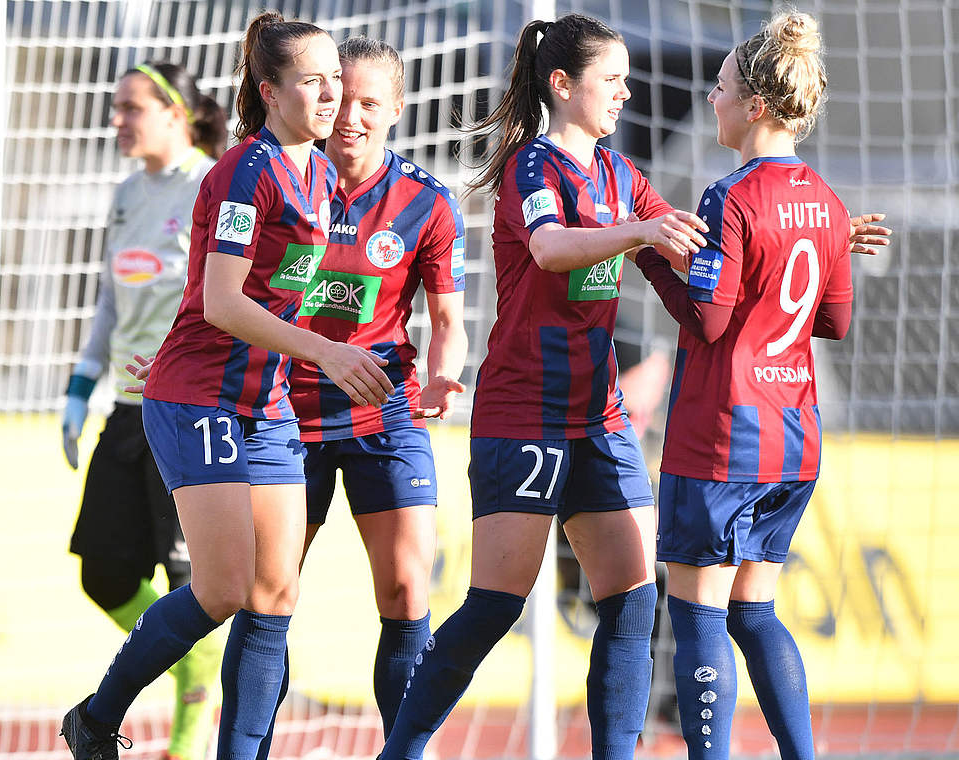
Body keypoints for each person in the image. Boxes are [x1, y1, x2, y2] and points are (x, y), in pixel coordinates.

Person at [60, 13, 393, 760]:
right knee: (220, 591)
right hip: (202, 398)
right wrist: (324, 354)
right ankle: (96, 715)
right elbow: (222, 300)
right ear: (269, 92)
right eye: (314, 82)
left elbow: (266, 296)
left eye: (337, 79)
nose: (334, 95)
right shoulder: (247, 168)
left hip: (262, 401)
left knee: (276, 595)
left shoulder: (320, 173)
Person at [379, 14, 713, 760]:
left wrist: (807, 242)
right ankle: (397, 753)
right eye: (613, 80)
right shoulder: (534, 165)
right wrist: (640, 233)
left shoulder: (623, 178)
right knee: (494, 606)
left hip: (601, 417)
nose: (627, 93)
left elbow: (683, 271)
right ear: (562, 85)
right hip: (523, 411)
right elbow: (551, 247)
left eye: (629, 80)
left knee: (632, 599)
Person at [630, 11, 863, 759]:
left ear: (755, 105)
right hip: (794, 436)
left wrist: (647, 255)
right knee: (754, 612)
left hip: (722, 434)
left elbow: (708, 321)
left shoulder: (728, 196)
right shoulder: (826, 203)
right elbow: (833, 322)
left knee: (699, 617)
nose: (710, 98)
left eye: (722, 86)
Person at [267, 35, 471, 745]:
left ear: (396, 110)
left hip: (384, 412)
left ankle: (404, 751)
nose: (347, 114)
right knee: (269, 600)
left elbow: (449, 322)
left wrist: (447, 370)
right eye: (335, 95)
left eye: (367, 102)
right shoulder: (278, 180)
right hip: (280, 415)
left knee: (408, 591)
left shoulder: (428, 202)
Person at [61, 60, 228, 760]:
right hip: (128, 411)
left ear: (174, 114)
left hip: (190, 410)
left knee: (190, 583)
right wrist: (82, 379)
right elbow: (109, 296)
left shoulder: (211, 188)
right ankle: (190, 659)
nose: (117, 120)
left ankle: (189, 742)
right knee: (101, 570)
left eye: (131, 107)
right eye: (115, 107)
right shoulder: (128, 192)